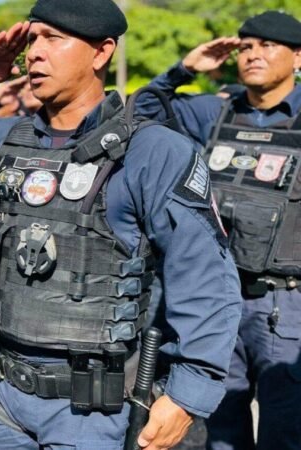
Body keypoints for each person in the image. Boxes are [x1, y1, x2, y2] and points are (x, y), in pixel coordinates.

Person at [0, 0, 242, 448]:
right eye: (31, 40)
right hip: (3, 394)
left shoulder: (152, 150)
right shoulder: (5, 138)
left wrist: (188, 394)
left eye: (53, 38)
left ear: (102, 52)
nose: (34, 53)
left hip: (93, 413)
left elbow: (205, 273)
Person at [134, 10, 301, 450]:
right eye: (246, 46)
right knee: (221, 434)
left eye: (268, 46)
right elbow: (141, 110)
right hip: (213, 302)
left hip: (284, 304)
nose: (253, 54)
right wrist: (186, 69)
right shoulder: (217, 110)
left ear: (297, 57)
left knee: (285, 434)